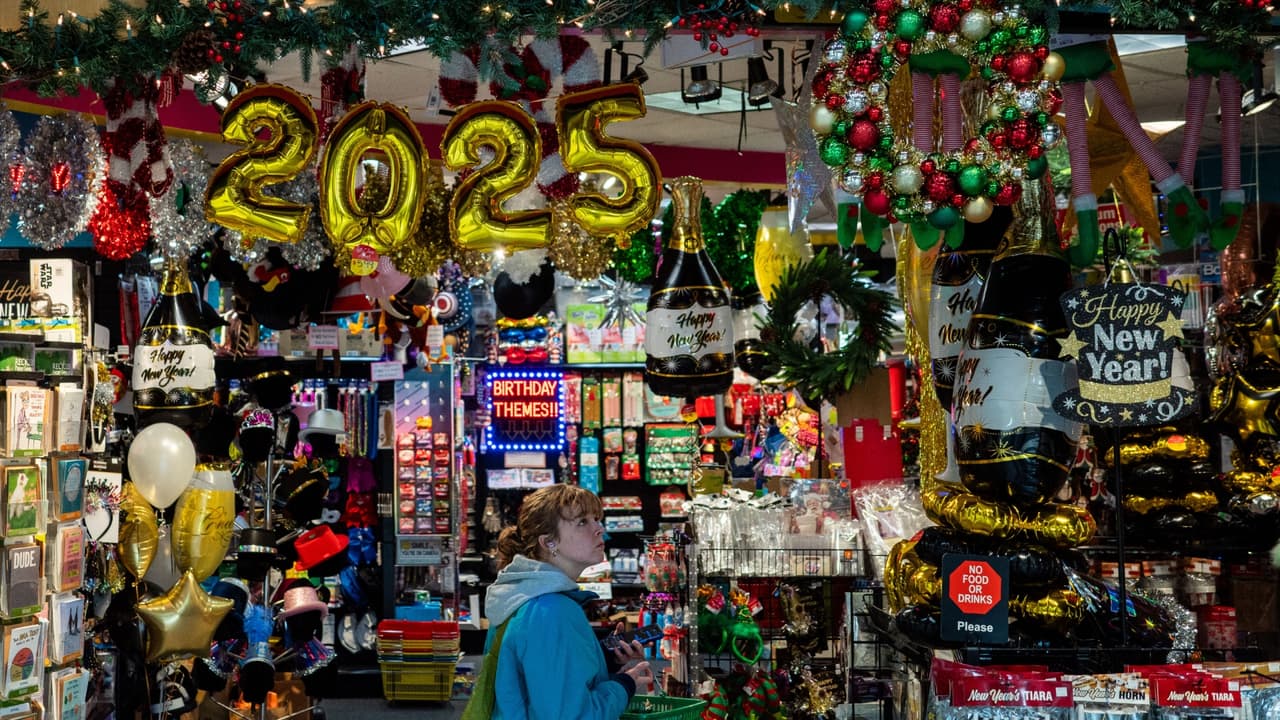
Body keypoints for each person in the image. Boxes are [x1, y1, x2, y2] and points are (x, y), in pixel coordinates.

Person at [468, 484, 653, 719]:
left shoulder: (523, 596)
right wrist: (624, 685)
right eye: (582, 522)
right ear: (549, 542)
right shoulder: (551, 610)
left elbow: (538, 682)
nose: (599, 529)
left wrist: (603, 659)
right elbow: (570, 715)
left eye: (596, 519)